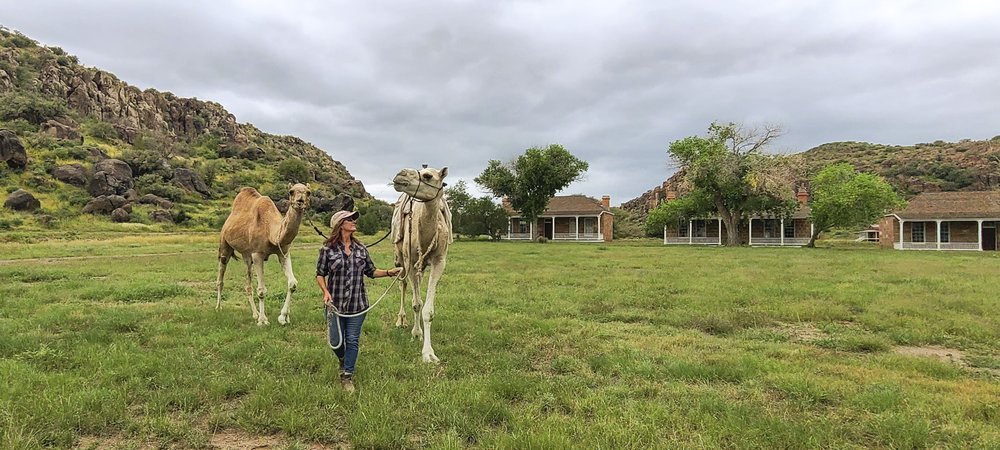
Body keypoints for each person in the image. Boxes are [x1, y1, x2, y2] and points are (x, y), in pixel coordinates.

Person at [315, 210, 401, 392]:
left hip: (357, 304)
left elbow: (371, 271)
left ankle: (347, 375)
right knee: (335, 342)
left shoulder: (361, 249)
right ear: (340, 224)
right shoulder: (327, 250)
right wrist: (325, 291)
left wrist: (388, 272)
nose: (354, 221)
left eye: (354, 219)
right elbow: (320, 274)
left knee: (352, 340)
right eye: (350, 219)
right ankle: (342, 358)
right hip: (335, 305)